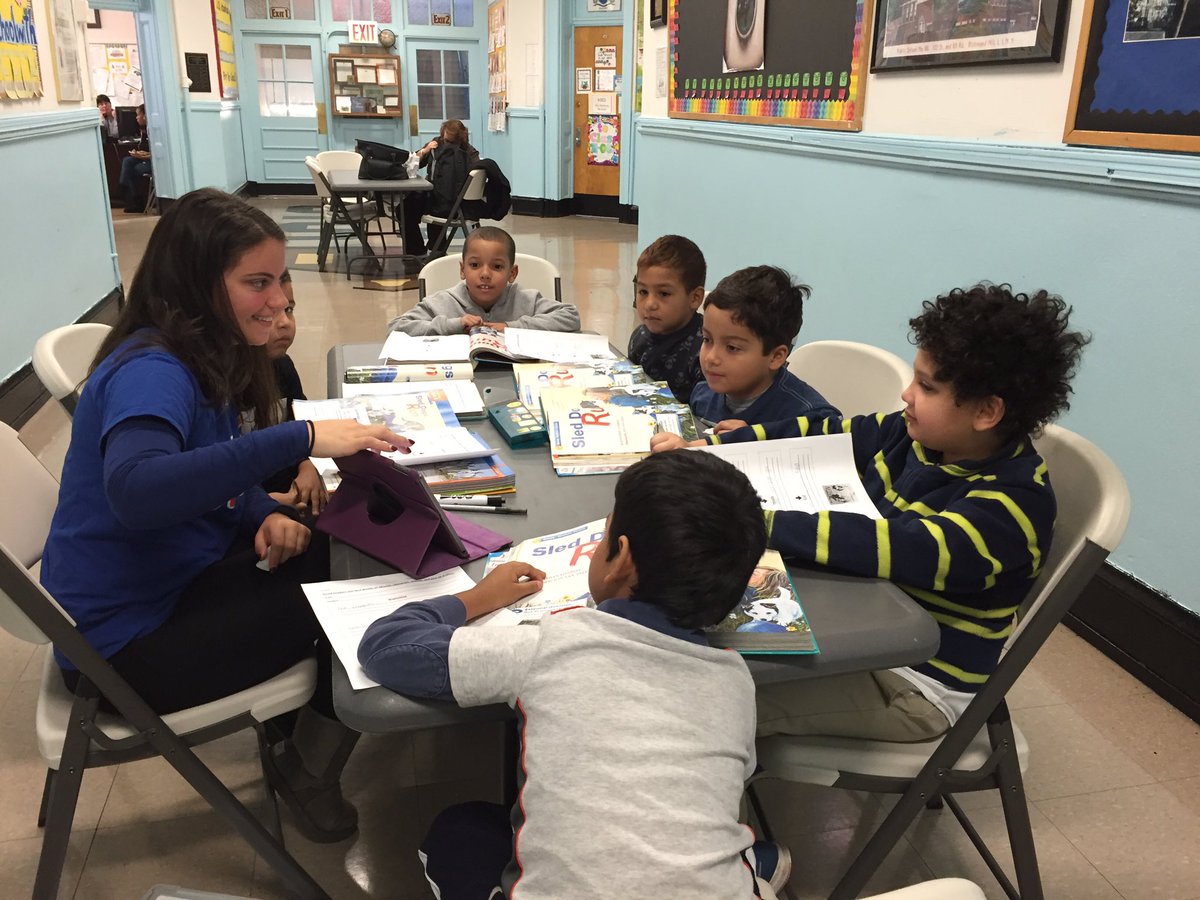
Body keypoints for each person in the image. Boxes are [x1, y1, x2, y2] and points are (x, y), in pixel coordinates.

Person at [39, 188, 411, 842]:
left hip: (164, 585)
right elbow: (138, 490)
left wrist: (256, 512)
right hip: (123, 649)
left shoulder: (198, 354)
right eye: (257, 283)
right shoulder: (152, 370)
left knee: (347, 544)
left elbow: (208, 471)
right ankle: (305, 767)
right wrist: (301, 437)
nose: (278, 300)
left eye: (281, 281)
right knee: (359, 592)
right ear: (196, 283)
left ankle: (294, 734)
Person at [652, 284, 1090, 743]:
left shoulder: (1012, 506)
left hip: (914, 680)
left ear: (986, 411)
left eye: (927, 386)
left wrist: (749, 519)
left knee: (715, 700)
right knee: (693, 636)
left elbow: (892, 546)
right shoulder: (913, 436)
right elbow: (819, 434)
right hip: (862, 623)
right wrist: (710, 449)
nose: (907, 393)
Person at [358, 450, 791, 898]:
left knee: (458, 832)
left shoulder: (553, 643)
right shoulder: (735, 680)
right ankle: (748, 863)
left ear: (620, 559)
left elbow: (387, 647)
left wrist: (479, 597)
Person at [690, 266, 838, 429]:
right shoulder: (702, 395)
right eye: (707, 339)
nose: (711, 357)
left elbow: (837, 441)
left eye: (732, 348)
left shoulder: (810, 418)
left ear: (775, 357)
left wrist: (755, 440)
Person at [388, 226, 580, 335]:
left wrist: (511, 327)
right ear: (462, 270)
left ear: (512, 273)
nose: (485, 274)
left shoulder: (525, 299)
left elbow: (571, 316)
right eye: (475, 265)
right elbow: (395, 328)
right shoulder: (442, 302)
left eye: (497, 266)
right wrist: (453, 325)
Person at [259, 269, 328, 515]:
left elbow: (299, 424)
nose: (285, 322)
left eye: (288, 309)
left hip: (291, 490)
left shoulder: (282, 366)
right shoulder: (222, 386)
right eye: (270, 313)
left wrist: (306, 464)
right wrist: (262, 503)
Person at [627, 234, 707, 403]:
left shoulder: (705, 350)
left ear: (695, 298)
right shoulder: (639, 337)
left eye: (663, 294)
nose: (650, 304)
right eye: (643, 292)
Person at [402, 118, 480, 256]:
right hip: (460, 206)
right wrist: (425, 150)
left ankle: (417, 251)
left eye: (447, 140)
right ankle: (435, 248)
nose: (445, 142)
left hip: (441, 204)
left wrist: (425, 151)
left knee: (403, 210)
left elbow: (411, 164)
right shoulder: (472, 153)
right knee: (410, 207)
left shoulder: (437, 146)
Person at [118, 104, 152, 213]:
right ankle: (123, 186)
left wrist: (145, 155)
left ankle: (136, 200)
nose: (136, 118)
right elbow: (144, 147)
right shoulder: (143, 130)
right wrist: (138, 153)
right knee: (127, 161)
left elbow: (155, 153)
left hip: (153, 160)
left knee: (135, 169)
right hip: (145, 157)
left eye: (138, 115)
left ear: (145, 116)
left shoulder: (153, 129)